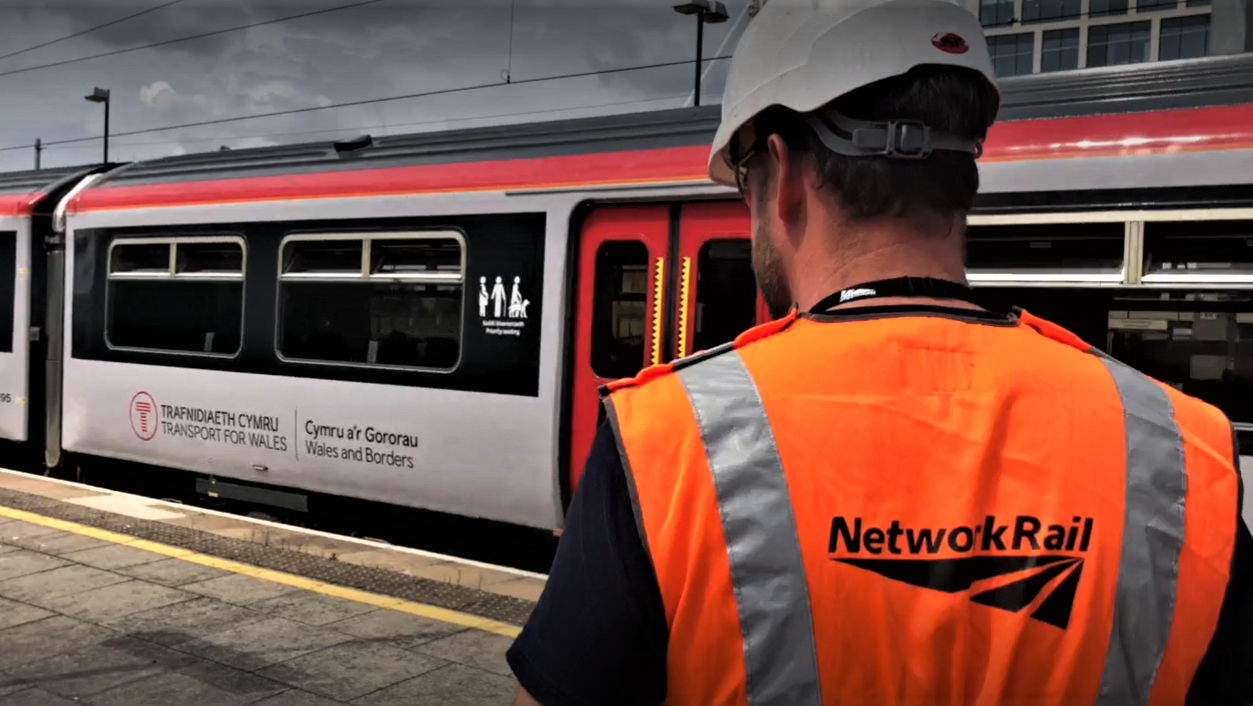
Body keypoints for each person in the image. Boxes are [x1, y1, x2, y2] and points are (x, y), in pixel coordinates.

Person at [506, 0, 1253, 703]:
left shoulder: (663, 442)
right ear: (962, 182)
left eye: (744, 183)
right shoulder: (1182, 455)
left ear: (782, 174)